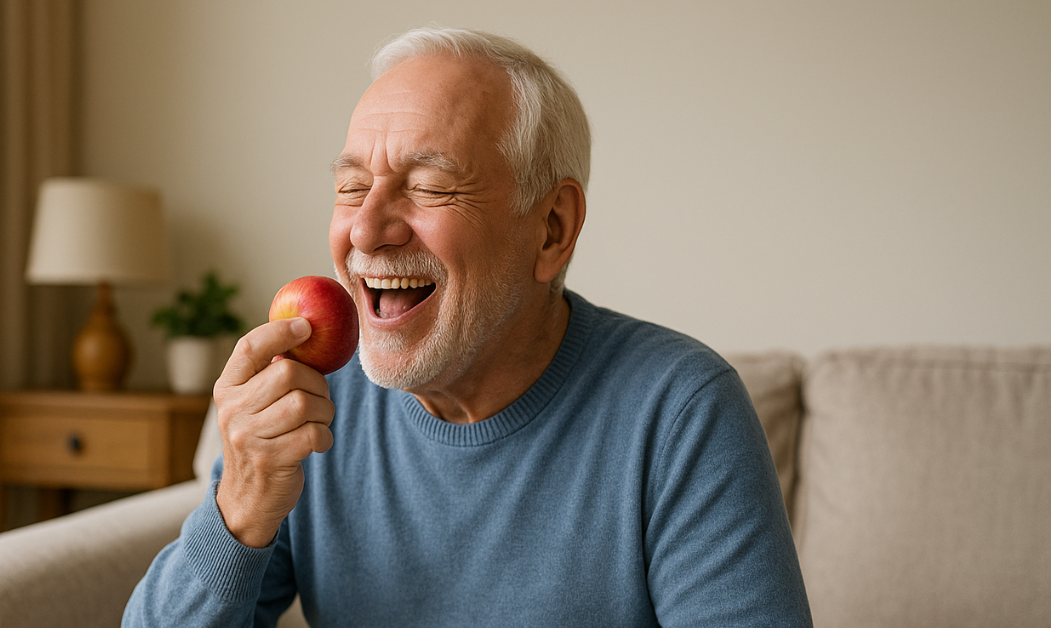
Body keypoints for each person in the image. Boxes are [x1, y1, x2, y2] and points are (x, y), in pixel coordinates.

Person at [124, 26, 812, 627]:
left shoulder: (680, 410)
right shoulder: (311, 403)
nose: (365, 229)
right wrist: (238, 509)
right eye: (352, 187)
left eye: (428, 186)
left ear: (552, 229)